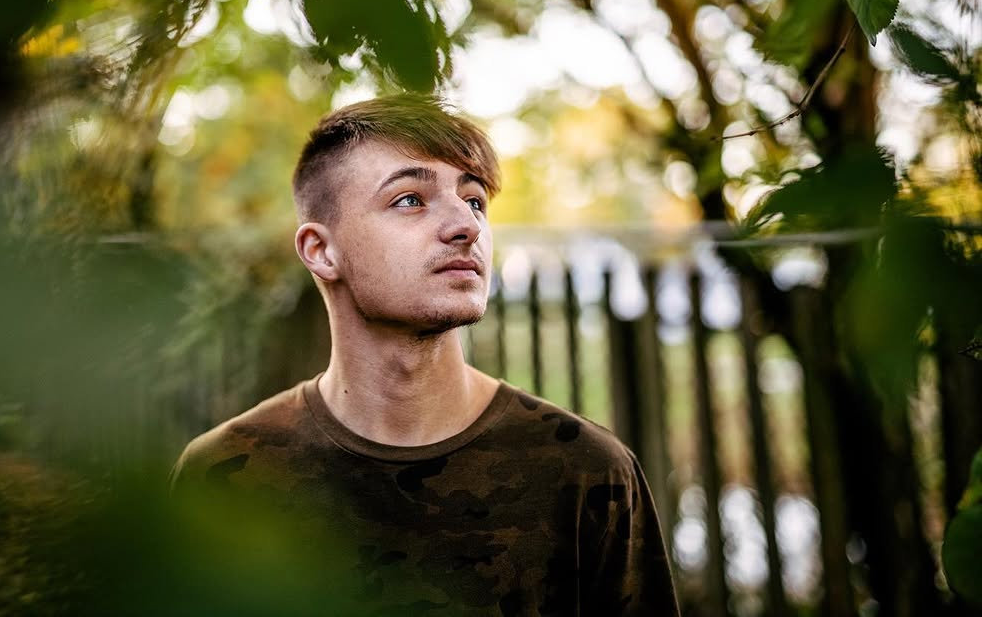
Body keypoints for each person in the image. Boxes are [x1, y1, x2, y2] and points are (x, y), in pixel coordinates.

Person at [170, 93, 680, 616]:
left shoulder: (585, 470)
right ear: (322, 251)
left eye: (474, 200)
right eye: (410, 199)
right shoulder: (228, 474)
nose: (467, 226)